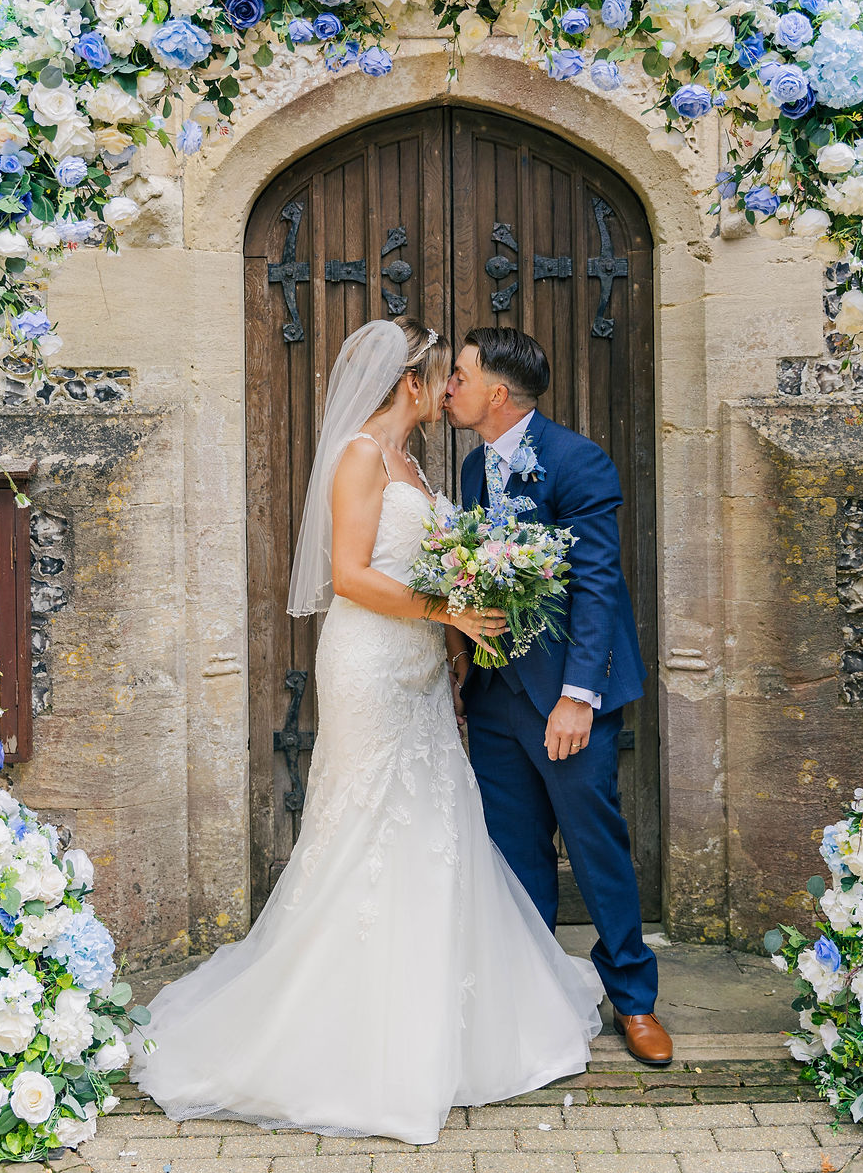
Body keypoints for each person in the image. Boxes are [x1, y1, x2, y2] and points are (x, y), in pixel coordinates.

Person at [128, 316, 603, 1145]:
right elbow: (350, 575)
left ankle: (434, 1011)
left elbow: (424, 563)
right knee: (367, 824)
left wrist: (453, 642)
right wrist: (447, 607)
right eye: (437, 376)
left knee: (435, 823)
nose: (447, 389)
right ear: (409, 384)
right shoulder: (356, 454)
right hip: (369, 667)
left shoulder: (414, 461)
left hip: (419, 667)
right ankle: (347, 1028)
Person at [444, 326, 672, 1068]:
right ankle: (534, 993)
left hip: (569, 700)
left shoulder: (577, 461)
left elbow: (599, 585)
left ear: (497, 393)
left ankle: (634, 997)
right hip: (497, 694)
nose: (449, 386)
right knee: (514, 856)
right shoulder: (476, 468)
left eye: (460, 375)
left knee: (596, 843)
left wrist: (578, 696)